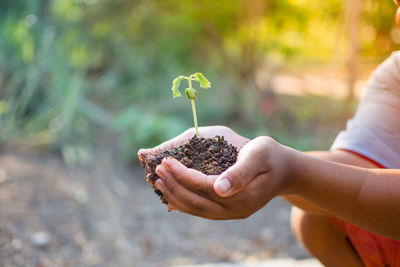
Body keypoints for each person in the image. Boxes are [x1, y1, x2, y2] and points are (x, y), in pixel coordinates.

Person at [138, 2, 400, 266]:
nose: (399, 16)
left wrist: (292, 172)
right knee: (315, 218)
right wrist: (261, 160)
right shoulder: (394, 76)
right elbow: (358, 165)